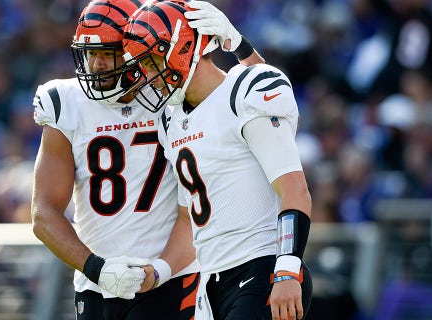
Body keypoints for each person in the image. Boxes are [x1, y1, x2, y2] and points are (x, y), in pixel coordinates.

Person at [30, 1, 264, 319]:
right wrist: (96, 267)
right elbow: (43, 212)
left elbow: (264, 107)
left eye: (108, 53)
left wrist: (240, 47)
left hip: (174, 279)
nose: (97, 65)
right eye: (90, 53)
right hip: (95, 286)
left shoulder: (172, 94)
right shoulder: (65, 103)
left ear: (135, 48)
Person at [121, 1, 313, 320]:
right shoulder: (171, 120)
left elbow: (296, 191)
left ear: (183, 47)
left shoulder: (244, 92)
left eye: (152, 60)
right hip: (210, 281)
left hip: (262, 268)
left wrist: (288, 270)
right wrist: (159, 270)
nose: (147, 74)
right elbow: (188, 220)